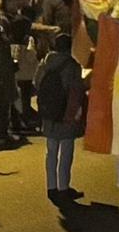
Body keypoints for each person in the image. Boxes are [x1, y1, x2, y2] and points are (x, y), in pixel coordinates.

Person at [34, 35, 87, 205]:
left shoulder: (44, 63)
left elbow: (37, 84)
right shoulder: (72, 66)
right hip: (66, 113)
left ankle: (51, 187)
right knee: (65, 152)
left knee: (51, 152)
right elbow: (76, 90)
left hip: (49, 113)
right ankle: (63, 187)